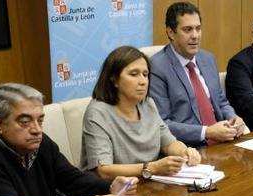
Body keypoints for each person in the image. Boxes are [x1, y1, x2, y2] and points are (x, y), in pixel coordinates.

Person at [0, 83, 137, 196]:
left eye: (40, 120)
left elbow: (70, 179)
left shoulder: (38, 141)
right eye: (25, 122)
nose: (36, 129)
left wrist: (109, 186)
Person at [82, 45, 201, 179]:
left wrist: (185, 152)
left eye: (145, 75)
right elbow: (103, 170)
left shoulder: (148, 104)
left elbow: (169, 143)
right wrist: (151, 168)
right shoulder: (97, 113)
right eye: (134, 74)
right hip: (110, 191)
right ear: (114, 79)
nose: (143, 81)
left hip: (149, 183)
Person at [149, 2, 245, 147]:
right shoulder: (157, 67)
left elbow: (221, 101)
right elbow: (162, 124)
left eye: (198, 29)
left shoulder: (208, 58)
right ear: (171, 32)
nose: (195, 36)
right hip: (188, 149)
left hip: (223, 142)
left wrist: (233, 118)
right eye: (187, 30)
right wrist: (206, 132)